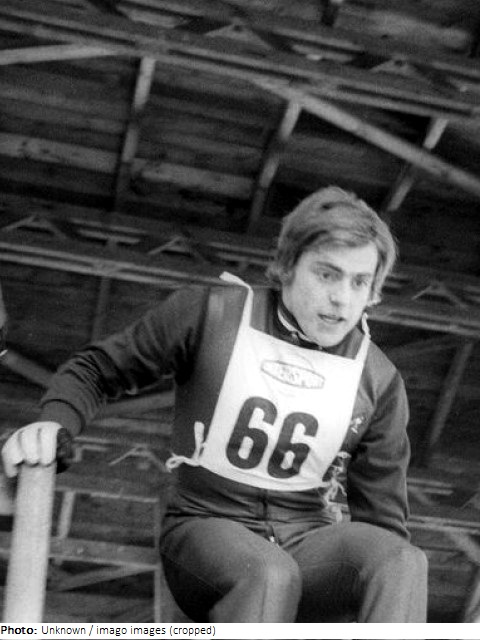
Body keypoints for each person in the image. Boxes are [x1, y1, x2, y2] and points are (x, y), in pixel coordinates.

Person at [1, 186, 428, 623]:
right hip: (205, 527)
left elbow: (383, 522)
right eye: (327, 275)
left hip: (308, 539)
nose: (342, 298)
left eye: (359, 282)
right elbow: (96, 369)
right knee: (270, 574)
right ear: (287, 267)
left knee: (402, 560)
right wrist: (55, 423)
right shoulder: (211, 314)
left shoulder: (378, 379)